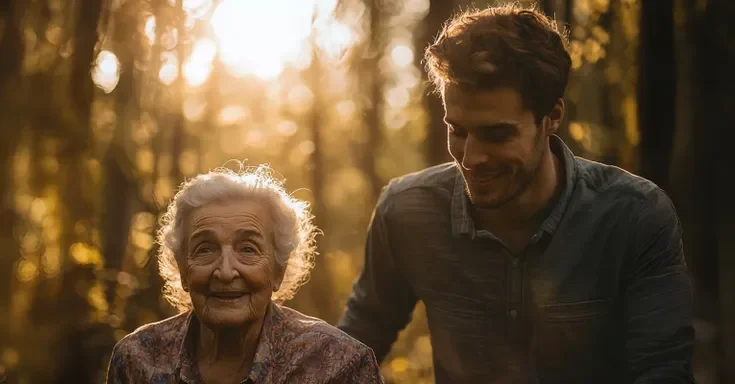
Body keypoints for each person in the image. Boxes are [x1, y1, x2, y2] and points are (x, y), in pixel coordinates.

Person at [338, 3, 694, 383]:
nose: (471, 158)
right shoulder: (406, 212)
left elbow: (663, 370)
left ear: (552, 117)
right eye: (457, 130)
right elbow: (349, 351)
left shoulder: (635, 216)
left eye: (497, 134)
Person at [106, 165, 383, 384]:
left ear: (278, 270)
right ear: (182, 270)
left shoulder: (339, 364)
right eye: (205, 249)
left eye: (248, 249)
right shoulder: (136, 360)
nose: (225, 272)